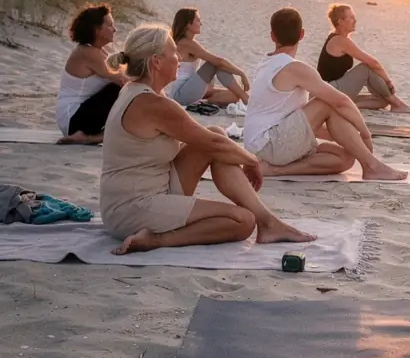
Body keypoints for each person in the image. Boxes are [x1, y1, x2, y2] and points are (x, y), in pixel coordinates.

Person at [99, 24, 314, 255]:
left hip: (153, 187)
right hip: (132, 208)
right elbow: (214, 146)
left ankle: (269, 223)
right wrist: (251, 161)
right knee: (242, 221)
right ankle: (157, 239)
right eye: (174, 51)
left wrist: (244, 159)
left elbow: (211, 141)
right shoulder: (152, 104)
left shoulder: (139, 91)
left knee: (217, 133)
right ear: (156, 62)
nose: (180, 58)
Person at [244, 7, 407, 180]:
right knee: (326, 102)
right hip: (270, 145)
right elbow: (341, 101)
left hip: (263, 145)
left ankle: (273, 170)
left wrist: (349, 138)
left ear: (272, 37)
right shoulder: (295, 68)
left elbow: (288, 116)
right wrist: (365, 134)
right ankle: (372, 166)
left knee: (345, 159)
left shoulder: (266, 63)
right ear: (302, 35)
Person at [316, 3, 410, 112]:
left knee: (382, 101)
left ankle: (349, 105)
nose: (355, 20)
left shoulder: (339, 38)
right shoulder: (340, 41)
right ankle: (397, 103)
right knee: (366, 68)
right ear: (340, 21)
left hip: (332, 89)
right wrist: (388, 82)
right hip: (330, 89)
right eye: (351, 17)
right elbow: (373, 63)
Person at [56, 4, 127, 144]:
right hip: (73, 119)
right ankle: (91, 137)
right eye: (110, 25)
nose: (115, 29)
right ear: (96, 30)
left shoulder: (99, 51)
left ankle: (95, 136)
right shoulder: (87, 53)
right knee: (119, 89)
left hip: (81, 117)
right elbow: (122, 80)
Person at [165, 7, 249, 107]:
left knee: (235, 95)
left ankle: (210, 101)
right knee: (213, 64)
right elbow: (218, 61)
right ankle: (246, 99)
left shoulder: (190, 43)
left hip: (189, 88)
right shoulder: (186, 43)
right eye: (198, 20)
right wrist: (241, 73)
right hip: (180, 94)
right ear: (188, 24)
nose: (201, 24)